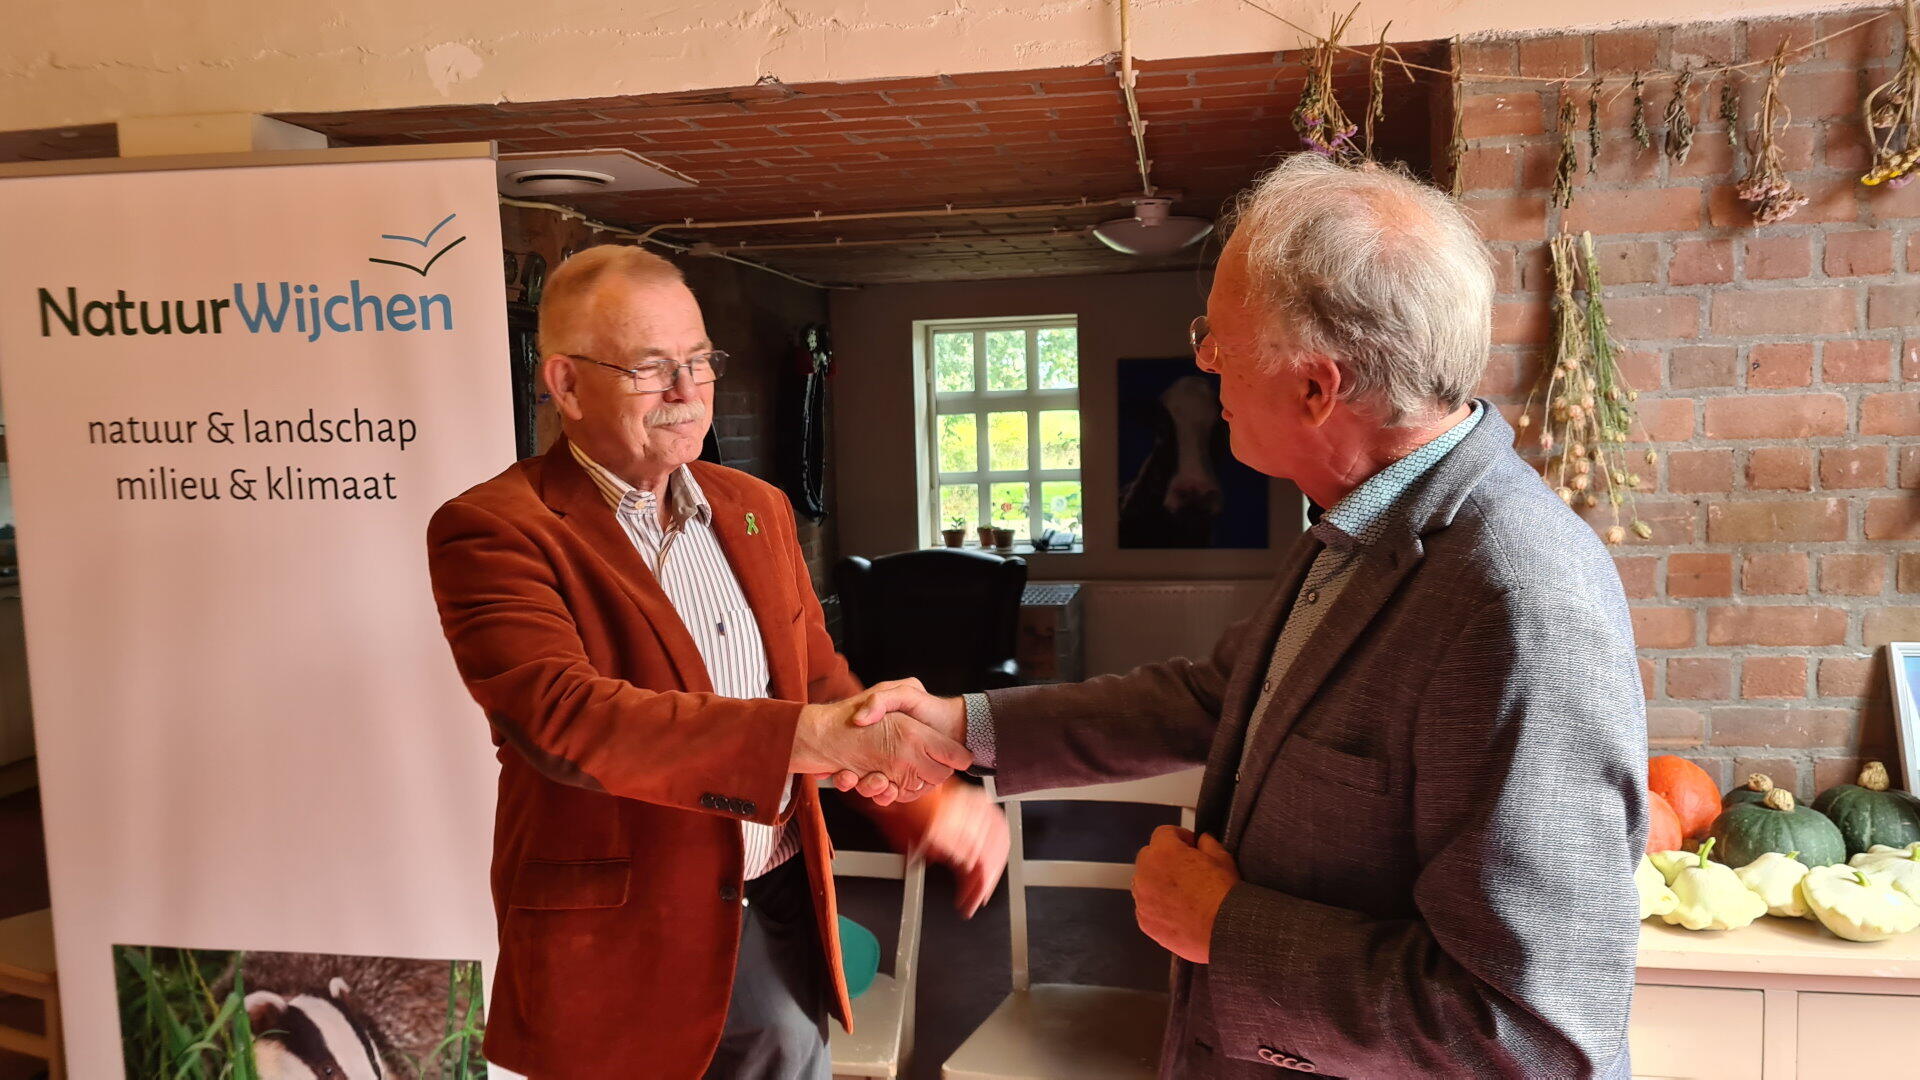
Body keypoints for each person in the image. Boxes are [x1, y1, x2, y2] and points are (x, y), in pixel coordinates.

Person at [845, 155, 1647, 1078]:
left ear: (1317, 388)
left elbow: (1533, 1034)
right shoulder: (1364, 521)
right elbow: (1220, 695)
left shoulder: (1518, 605)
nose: (1202, 360)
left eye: (1220, 336)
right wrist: (964, 725)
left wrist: (1229, 927)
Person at [426, 245, 1009, 1079]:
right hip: (625, 937)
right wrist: (822, 737)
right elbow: (566, 719)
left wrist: (926, 804)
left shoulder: (756, 510)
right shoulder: (495, 528)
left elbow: (814, 681)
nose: (688, 391)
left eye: (699, 360)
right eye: (651, 367)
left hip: (776, 900)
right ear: (565, 384)